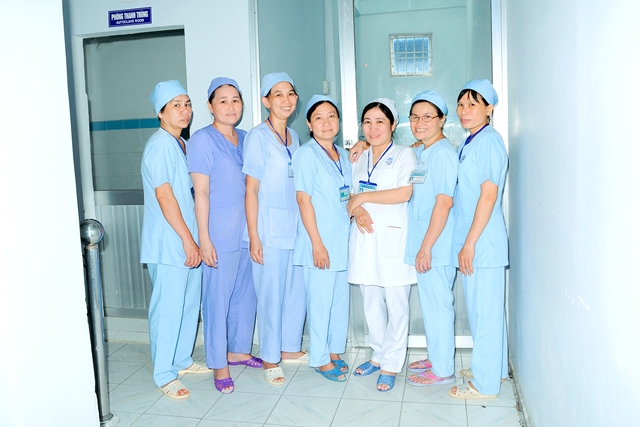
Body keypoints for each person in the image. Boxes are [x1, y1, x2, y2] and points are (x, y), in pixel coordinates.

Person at [188, 77, 261, 394]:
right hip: (219, 231)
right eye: (223, 100)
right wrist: (204, 238)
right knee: (217, 299)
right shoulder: (202, 140)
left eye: (236, 100)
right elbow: (201, 193)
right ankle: (219, 362)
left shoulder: (246, 138)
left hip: (248, 230)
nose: (231, 106)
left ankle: (238, 350)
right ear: (210, 106)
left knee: (246, 294)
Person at [140, 80, 209, 400]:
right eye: (176, 105)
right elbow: (165, 196)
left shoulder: (182, 144)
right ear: (160, 111)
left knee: (188, 303)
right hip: (171, 242)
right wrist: (187, 239)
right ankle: (164, 373)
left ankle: (181, 359)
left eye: (187, 104)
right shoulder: (160, 145)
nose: (185, 111)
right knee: (168, 308)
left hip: (187, 239)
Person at [347, 98, 417, 392]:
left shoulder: (404, 155)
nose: (373, 128)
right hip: (364, 238)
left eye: (380, 122)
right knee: (371, 302)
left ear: (393, 125)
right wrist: (356, 208)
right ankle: (377, 355)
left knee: (397, 305)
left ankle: (391, 364)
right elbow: (348, 193)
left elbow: (404, 193)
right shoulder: (358, 156)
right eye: (367, 122)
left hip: (392, 238)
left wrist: (362, 199)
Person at [243, 72, 308, 386]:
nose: (286, 100)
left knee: (295, 290)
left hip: (295, 227)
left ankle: (289, 347)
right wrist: (254, 236)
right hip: (268, 230)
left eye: (290, 93)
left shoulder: (294, 136)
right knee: (270, 295)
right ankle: (270, 357)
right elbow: (251, 189)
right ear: (266, 101)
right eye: (278, 94)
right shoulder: (258, 137)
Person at [447, 79, 509, 400]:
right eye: (461, 104)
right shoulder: (471, 141)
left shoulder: (489, 142)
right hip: (476, 240)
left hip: (482, 242)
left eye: (473, 104)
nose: (464, 110)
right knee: (486, 310)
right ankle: (494, 370)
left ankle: (484, 385)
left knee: (484, 313)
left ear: (489, 108)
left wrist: (469, 243)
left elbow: (488, 195)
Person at [293, 95, 352, 382]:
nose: (326, 122)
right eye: (319, 117)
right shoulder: (306, 154)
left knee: (339, 300)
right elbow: (303, 200)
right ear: (309, 124)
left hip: (342, 239)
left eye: (331, 116)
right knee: (320, 302)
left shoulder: (343, 154)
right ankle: (319, 357)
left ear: (338, 121)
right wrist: (317, 243)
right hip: (319, 241)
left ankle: (334, 350)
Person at [401, 91, 458, 387]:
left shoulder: (443, 153)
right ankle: (437, 357)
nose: (419, 122)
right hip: (427, 243)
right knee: (432, 305)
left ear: (442, 120)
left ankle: (444, 369)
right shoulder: (425, 151)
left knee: (439, 306)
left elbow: (444, 202)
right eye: (414, 117)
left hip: (436, 245)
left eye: (427, 117)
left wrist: (426, 247)